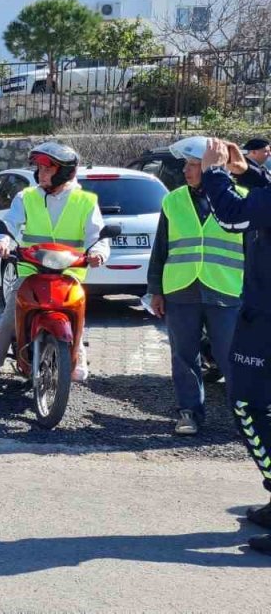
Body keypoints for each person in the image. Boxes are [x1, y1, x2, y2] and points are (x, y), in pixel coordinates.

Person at [0, 142, 108, 402]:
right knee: (9, 318)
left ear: (64, 172)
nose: (40, 174)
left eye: (47, 169)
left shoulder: (86, 201)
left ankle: (78, 351)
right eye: (39, 168)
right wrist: (3, 241)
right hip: (31, 271)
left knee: (79, 309)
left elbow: (97, 236)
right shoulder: (26, 197)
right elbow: (9, 224)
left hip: (68, 272)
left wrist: (98, 253)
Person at [197, 137, 271, 555]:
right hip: (261, 314)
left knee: (247, 404)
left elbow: (232, 217)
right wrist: (250, 173)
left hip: (265, 321)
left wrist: (215, 173)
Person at [147, 137, 245, 436]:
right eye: (186, 165)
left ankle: (245, 417)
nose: (187, 171)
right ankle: (189, 412)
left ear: (212, 165)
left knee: (232, 357)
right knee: (183, 355)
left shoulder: (239, 198)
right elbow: (160, 248)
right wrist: (155, 289)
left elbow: (255, 252)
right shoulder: (173, 200)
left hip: (227, 290)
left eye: (193, 165)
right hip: (181, 289)